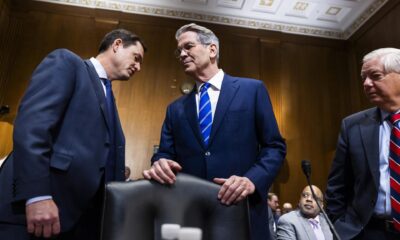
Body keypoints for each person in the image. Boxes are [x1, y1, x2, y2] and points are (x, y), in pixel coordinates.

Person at [142, 23, 286, 240]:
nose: (181, 54)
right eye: (178, 50)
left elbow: (274, 147)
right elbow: (164, 154)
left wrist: (251, 180)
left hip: (242, 211)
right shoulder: (175, 109)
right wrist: (159, 163)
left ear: (212, 50)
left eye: (188, 46)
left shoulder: (251, 90)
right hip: (191, 219)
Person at [0, 29, 146, 239]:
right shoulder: (67, 63)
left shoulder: (108, 95)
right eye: (136, 58)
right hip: (33, 214)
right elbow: (33, 128)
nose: (138, 67)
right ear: (117, 45)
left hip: (75, 222)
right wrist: (37, 195)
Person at [326, 48, 400, 239]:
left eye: (375, 76)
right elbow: (337, 187)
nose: (366, 83)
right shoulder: (352, 125)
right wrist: (340, 227)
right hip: (368, 232)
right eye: (363, 78)